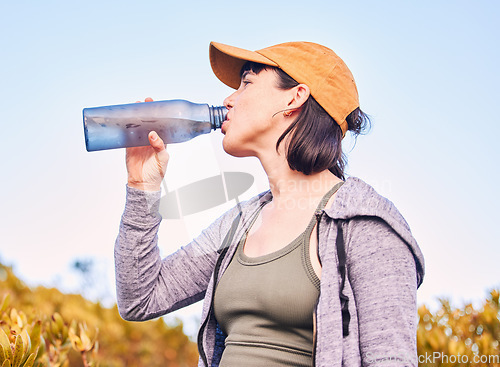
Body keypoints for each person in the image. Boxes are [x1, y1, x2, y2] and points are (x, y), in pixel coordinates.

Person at [115, 41, 425, 367]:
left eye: (246, 82)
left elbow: (392, 360)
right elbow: (140, 298)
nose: (228, 99)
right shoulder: (240, 222)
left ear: (294, 97)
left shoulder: (365, 225)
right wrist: (142, 187)